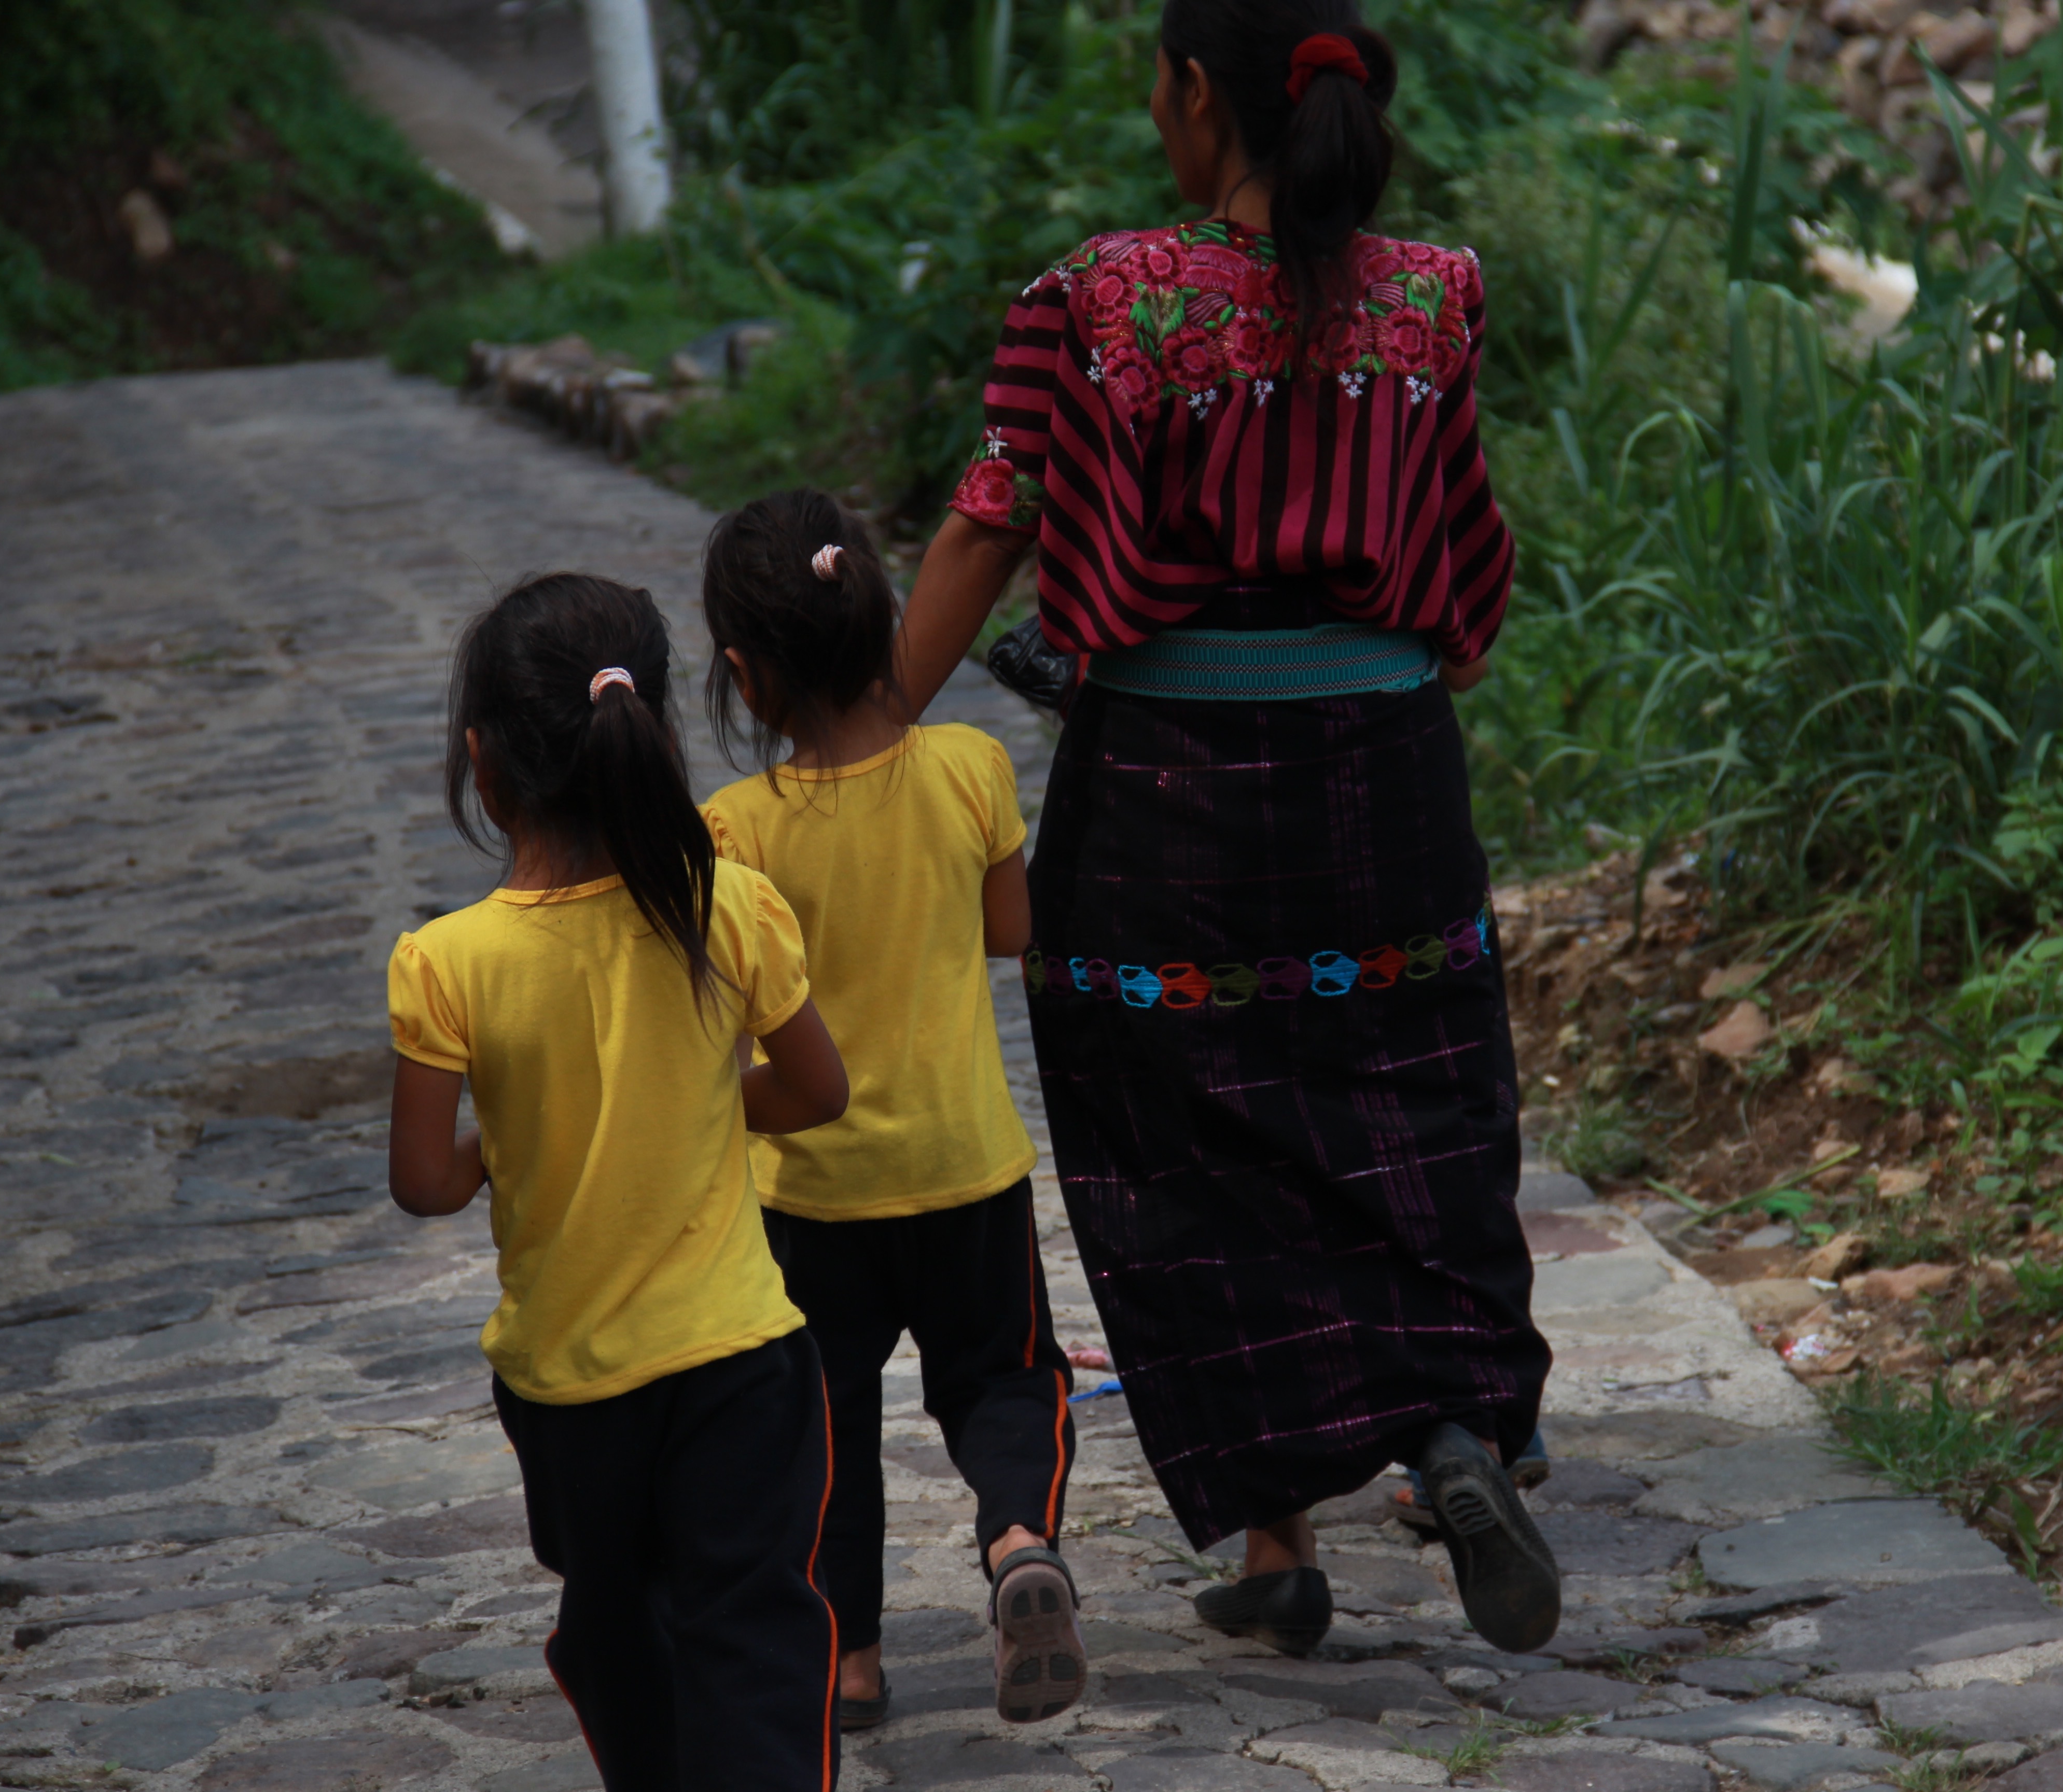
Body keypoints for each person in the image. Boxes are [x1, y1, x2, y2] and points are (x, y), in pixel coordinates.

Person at [891, 0, 1562, 1658]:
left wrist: (859, 737)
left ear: (1199, 94)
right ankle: (1456, 1435)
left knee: (1179, 1134)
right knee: (1412, 1102)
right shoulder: (1434, 296)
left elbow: (993, 526)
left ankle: (1277, 1533)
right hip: (1388, 778)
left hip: (1170, 794)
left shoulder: (1093, 299)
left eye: (1157, 83)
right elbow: (1471, 585)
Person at [384, 573, 851, 1787]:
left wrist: (515, 1148)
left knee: (618, 1625)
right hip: (741, 1364)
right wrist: (700, 1108)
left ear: (484, 766)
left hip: (571, 1394)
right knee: (753, 1629)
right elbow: (817, 1095)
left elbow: (427, 1182)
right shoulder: (729, 908)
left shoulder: (445, 964)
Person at [699, 491, 1085, 1729]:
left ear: (745, 680)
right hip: (969, 1168)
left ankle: (851, 1662)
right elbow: (1012, 932)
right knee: (1008, 1381)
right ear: (885, 624)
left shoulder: (736, 833)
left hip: (812, 1193)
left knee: (822, 1423)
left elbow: (724, 1014)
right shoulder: (971, 768)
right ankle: (1017, 1538)